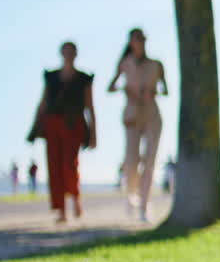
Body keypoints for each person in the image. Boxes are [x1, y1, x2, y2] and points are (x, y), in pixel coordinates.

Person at [28, 41, 96, 222]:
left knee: (69, 163)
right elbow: (43, 102)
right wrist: (35, 126)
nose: (68, 55)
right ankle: (61, 210)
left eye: (71, 51)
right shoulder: (51, 77)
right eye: (66, 51)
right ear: (61, 53)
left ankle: (75, 197)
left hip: (73, 123)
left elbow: (90, 106)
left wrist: (93, 133)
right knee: (54, 166)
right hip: (52, 123)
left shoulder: (83, 79)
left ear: (76, 54)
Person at [107, 27, 167, 222]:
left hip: (152, 114)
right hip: (132, 115)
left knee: (150, 161)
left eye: (142, 39)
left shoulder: (156, 65)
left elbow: (166, 89)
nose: (139, 43)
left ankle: (144, 205)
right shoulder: (125, 64)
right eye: (136, 39)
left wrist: (153, 92)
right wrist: (125, 88)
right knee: (131, 161)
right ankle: (131, 193)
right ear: (131, 42)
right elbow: (111, 86)